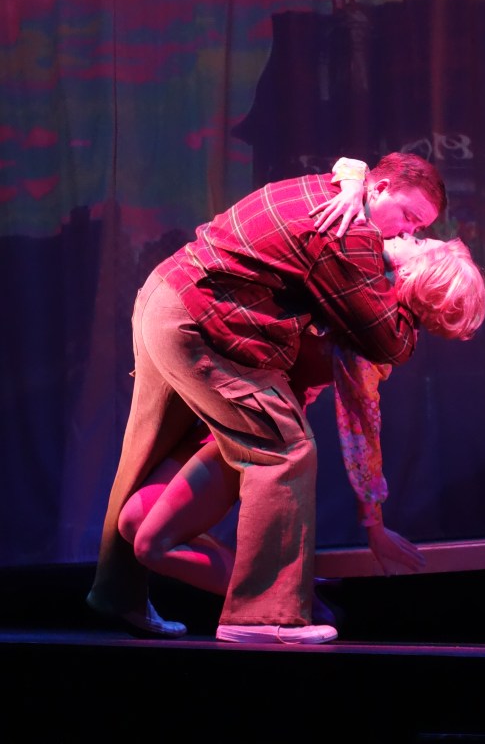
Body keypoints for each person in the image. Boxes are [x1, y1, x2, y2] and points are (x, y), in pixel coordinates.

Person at [86, 152, 447, 645]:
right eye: (409, 217)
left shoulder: (334, 189)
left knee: (143, 450)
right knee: (285, 450)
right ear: (379, 190)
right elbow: (390, 344)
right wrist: (415, 301)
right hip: (201, 323)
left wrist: (354, 177)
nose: (406, 233)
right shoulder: (350, 235)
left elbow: (351, 165)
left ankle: (116, 592)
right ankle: (262, 616)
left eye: (419, 230)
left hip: (163, 298)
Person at [113, 233, 485, 633]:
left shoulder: (375, 336)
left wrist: (374, 523)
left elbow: (362, 426)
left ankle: (289, 597)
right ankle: (289, 587)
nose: (407, 235)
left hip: (256, 425)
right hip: (218, 401)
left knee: (152, 544)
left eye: (422, 242)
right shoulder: (356, 275)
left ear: (421, 275)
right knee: (132, 521)